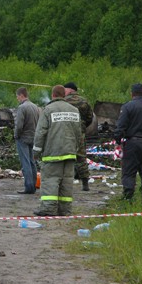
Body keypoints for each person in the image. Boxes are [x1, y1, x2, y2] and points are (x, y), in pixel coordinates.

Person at [32, 85, 81, 216]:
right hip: (70, 153)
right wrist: (75, 149)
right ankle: (65, 209)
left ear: (53, 95)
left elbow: (40, 132)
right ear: (64, 95)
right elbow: (79, 133)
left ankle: (48, 208)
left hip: (53, 154)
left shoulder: (48, 110)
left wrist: (36, 152)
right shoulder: (74, 110)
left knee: (50, 180)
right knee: (67, 182)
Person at [113, 83, 142, 201]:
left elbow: (121, 126)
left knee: (129, 171)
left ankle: (128, 197)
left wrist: (117, 140)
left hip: (133, 143)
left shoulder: (128, 107)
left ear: (132, 94)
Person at [64, 82, 94, 191]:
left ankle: (65, 183)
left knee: (65, 156)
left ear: (71, 90)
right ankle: (85, 184)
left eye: (65, 89)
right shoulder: (84, 101)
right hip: (80, 132)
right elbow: (90, 118)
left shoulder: (64, 101)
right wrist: (83, 126)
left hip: (66, 132)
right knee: (81, 157)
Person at [14, 87, 40, 194]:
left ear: (21, 95)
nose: (17, 99)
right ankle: (33, 185)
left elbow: (19, 125)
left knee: (26, 163)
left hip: (23, 138)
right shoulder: (35, 107)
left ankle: (29, 187)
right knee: (32, 162)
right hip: (33, 137)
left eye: (17, 96)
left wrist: (16, 135)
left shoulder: (22, 108)